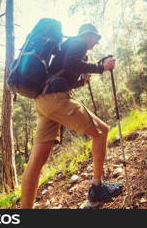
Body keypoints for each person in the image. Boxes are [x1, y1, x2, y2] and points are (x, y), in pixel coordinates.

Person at [20, 23, 123, 208]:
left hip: (43, 102)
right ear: (88, 35)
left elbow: (65, 72)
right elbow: (70, 64)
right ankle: (97, 189)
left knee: (36, 161)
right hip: (56, 100)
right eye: (96, 38)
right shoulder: (78, 43)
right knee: (101, 132)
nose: (97, 42)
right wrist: (102, 68)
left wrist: (83, 79)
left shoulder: (66, 47)